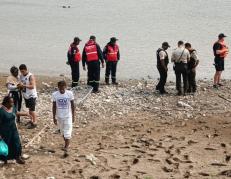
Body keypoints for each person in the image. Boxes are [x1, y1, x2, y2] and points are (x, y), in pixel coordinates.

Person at [0, 96, 31, 164]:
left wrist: (25, 114)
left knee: (17, 143)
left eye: (13, 102)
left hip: (13, 129)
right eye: (11, 102)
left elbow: (16, 113)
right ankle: (5, 159)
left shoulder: (12, 108)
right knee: (6, 145)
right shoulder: (1, 111)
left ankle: (18, 157)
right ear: (6, 103)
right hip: (5, 132)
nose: (13, 103)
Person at [52, 81, 75, 157]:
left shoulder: (69, 94)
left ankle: (66, 148)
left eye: (63, 87)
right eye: (60, 87)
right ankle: (66, 144)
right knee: (62, 132)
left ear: (65, 87)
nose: (61, 89)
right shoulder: (55, 95)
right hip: (59, 117)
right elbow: (54, 106)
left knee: (67, 133)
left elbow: (72, 105)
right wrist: (54, 117)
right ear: (58, 87)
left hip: (68, 116)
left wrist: (73, 116)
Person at [18, 64, 38, 129]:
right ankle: (31, 120)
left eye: (23, 71)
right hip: (26, 95)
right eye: (21, 71)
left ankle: (35, 122)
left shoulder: (30, 76)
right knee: (29, 109)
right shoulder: (21, 76)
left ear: (26, 70)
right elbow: (20, 84)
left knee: (32, 110)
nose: (22, 73)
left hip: (31, 95)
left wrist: (24, 86)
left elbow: (32, 86)